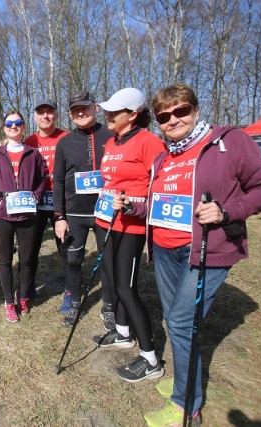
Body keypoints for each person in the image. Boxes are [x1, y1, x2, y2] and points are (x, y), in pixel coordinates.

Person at [115, 84, 261, 427]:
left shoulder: (227, 141)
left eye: (181, 111)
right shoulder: (164, 157)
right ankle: (184, 378)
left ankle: (186, 405)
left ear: (196, 110)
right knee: (178, 319)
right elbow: (158, 206)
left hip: (206, 250)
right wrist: (134, 205)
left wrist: (226, 211)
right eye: (164, 116)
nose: (173, 119)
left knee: (178, 321)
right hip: (164, 250)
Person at [90, 88, 166, 382]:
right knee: (111, 280)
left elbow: (160, 193)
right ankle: (122, 333)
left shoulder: (150, 143)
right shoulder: (111, 142)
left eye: (114, 111)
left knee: (126, 288)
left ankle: (150, 359)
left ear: (133, 115)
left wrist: (134, 206)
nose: (107, 115)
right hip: (105, 221)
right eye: (107, 110)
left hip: (130, 228)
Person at [52, 91, 115, 328]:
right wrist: (59, 216)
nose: (81, 113)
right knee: (73, 258)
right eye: (75, 110)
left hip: (105, 211)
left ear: (95, 108)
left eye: (85, 108)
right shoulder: (65, 142)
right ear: (69, 115)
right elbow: (57, 181)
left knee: (108, 260)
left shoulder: (111, 135)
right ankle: (76, 300)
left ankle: (109, 305)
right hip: (75, 212)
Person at [0, 110, 46, 322]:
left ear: (23, 127)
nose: (14, 126)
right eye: (9, 123)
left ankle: (22, 296)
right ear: (4, 127)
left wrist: (36, 196)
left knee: (27, 260)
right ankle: (8, 302)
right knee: (5, 261)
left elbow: (42, 179)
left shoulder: (33, 153)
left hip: (28, 215)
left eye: (18, 122)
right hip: (4, 216)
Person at [25, 99, 68, 299]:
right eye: (40, 112)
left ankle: (71, 288)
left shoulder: (67, 138)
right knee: (31, 246)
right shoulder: (29, 142)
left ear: (56, 115)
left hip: (62, 200)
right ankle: (28, 285)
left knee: (65, 245)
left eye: (49, 112)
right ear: (34, 116)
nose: (45, 116)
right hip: (36, 200)